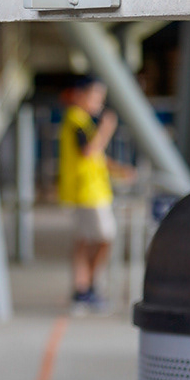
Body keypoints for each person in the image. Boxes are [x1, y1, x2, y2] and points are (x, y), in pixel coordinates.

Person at [57, 76, 122, 311]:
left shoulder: (83, 121)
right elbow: (88, 151)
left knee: (87, 240)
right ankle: (86, 287)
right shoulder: (75, 119)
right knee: (103, 237)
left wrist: (119, 170)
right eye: (96, 96)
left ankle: (84, 288)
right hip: (86, 193)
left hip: (92, 191)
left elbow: (96, 158)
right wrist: (106, 128)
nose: (99, 102)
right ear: (80, 95)